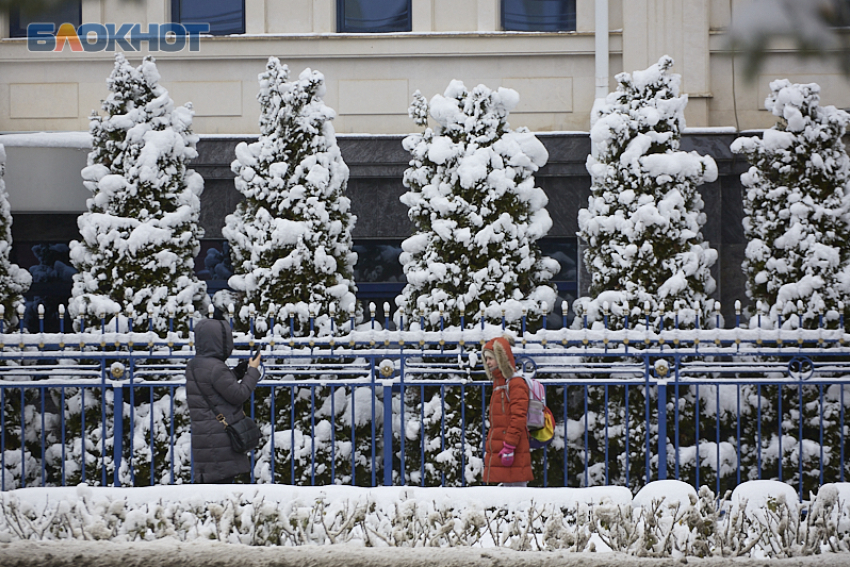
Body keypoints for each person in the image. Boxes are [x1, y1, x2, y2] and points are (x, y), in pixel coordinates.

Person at [186, 318, 262, 484]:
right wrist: (253, 372)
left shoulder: (194, 365)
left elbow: (213, 387)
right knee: (221, 490)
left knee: (211, 487)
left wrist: (236, 373)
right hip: (219, 438)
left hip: (205, 436)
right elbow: (238, 394)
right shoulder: (216, 367)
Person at [482, 335, 533, 487]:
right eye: (486, 359)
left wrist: (509, 446)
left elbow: (518, 417)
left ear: (502, 358)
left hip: (512, 448)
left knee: (517, 497)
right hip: (503, 447)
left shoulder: (515, 384)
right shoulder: (499, 385)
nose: (488, 362)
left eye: (491, 358)